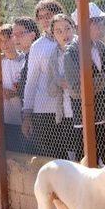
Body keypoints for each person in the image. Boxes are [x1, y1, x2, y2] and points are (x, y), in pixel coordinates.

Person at [64, 2, 105, 166]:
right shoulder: (71, 53)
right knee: (86, 166)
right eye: (96, 22)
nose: (101, 26)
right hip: (85, 121)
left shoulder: (100, 46)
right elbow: (76, 90)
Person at [21, 0, 65, 156]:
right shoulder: (37, 46)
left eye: (49, 14)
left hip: (68, 109)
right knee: (50, 158)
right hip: (44, 111)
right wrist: (27, 115)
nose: (45, 20)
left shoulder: (72, 40)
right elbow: (31, 82)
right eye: (41, 17)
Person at [45, 14, 77, 160]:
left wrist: (71, 82)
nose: (65, 34)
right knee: (71, 158)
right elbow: (50, 90)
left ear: (74, 29)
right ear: (53, 35)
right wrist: (59, 81)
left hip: (83, 111)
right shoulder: (53, 56)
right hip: (65, 114)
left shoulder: (82, 48)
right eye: (59, 31)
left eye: (67, 28)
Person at [0, 23, 26, 153]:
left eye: (8, 39)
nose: (5, 44)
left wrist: (16, 93)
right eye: (1, 41)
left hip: (25, 120)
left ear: (14, 38)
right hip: (6, 119)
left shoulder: (25, 60)